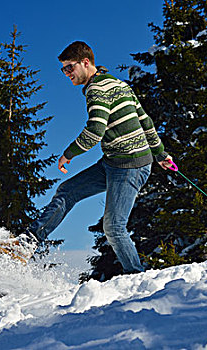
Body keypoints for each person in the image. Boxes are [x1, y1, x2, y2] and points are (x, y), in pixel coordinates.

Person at [22, 41, 172, 273]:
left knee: (113, 227)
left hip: (131, 166)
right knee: (67, 191)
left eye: (69, 68)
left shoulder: (96, 89)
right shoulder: (119, 84)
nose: (67, 74)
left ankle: (137, 276)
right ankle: (27, 243)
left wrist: (68, 154)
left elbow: (95, 131)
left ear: (85, 63)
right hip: (113, 162)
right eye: (64, 69)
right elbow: (146, 121)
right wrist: (160, 154)